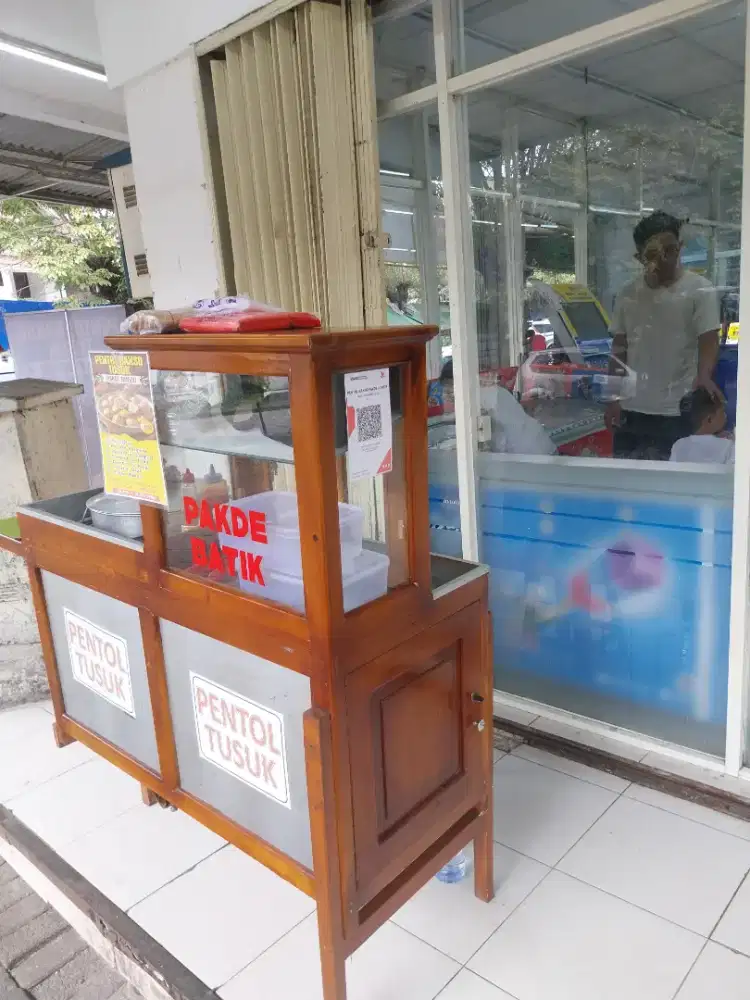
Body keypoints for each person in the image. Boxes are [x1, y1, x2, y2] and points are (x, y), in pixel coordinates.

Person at [605, 211, 721, 460]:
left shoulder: (699, 290)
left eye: (670, 250)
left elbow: (709, 338)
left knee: (672, 485)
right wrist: (613, 397)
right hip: (631, 409)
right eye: (653, 255)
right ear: (639, 258)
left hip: (678, 411)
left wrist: (704, 376)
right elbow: (619, 347)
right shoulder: (628, 294)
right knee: (627, 483)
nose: (664, 260)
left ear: (681, 247)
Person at [670, 388, 734, 464]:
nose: (725, 415)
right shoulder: (728, 446)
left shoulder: (679, 445)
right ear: (709, 419)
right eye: (722, 412)